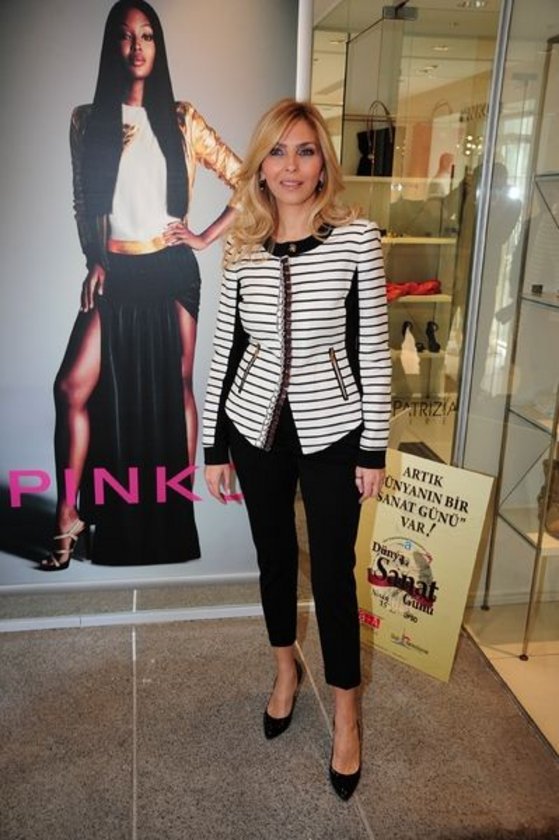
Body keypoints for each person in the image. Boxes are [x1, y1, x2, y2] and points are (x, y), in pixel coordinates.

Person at [203, 99, 391, 800]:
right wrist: (213, 445)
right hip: (255, 428)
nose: (290, 166)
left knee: (334, 573)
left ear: (322, 164)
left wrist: (373, 449)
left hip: (335, 431)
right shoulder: (241, 245)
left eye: (305, 151)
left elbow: (372, 350)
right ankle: (285, 668)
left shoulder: (356, 239)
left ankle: (346, 713)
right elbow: (227, 349)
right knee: (275, 558)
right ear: (259, 166)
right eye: (277, 152)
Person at [40, 0, 240, 570]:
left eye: (147, 35)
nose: (137, 47)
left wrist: (204, 236)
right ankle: (68, 515)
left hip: (171, 270)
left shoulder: (182, 118)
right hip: (118, 270)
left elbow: (248, 178)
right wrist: (95, 258)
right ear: (113, 46)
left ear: (158, 46)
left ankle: (174, 513)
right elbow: (83, 200)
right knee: (72, 387)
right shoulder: (87, 120)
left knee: (177, 387)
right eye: (126, 36)